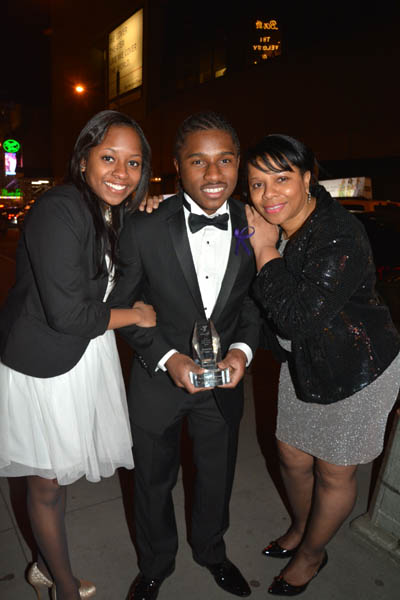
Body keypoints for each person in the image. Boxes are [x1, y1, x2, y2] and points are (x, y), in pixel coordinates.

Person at [0, 110, 156, 600]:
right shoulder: (60, 209)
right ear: (84, 157)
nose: (120, 172)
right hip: (44, 362)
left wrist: (145, 214)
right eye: (109, 157)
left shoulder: (110, 213)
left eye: (133, 163)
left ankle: (47, 563)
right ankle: (61, 585)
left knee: (58, 472)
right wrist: (136, 317)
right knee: (47, 481)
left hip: (81, 357)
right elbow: (70, 315)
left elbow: (115, 281)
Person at [108, 112, 260, 600]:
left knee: (216, 477)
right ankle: (154, 564)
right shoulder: (144, 226)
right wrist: (168, 357)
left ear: (238, 165)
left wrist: (241, 351)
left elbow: (254, 302)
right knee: (152, 481)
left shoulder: (252, 226)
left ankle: (212, 552)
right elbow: (122, 307)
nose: (213, 176)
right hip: (157, 383)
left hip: (224, 386)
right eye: (199, 162)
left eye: (225, 161)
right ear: (177, 165)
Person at [244, 134, 400, 596]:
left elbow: (296, 315)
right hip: (305, 365)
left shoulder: (337, 234)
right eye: (256, 184)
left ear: (308, 178)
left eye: (281, 179)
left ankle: (313, 554)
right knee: (291, 457)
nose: (268, 194)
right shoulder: (277, 222)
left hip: (357, 370)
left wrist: (264, 251)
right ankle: (300, 527)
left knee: (334, 471)